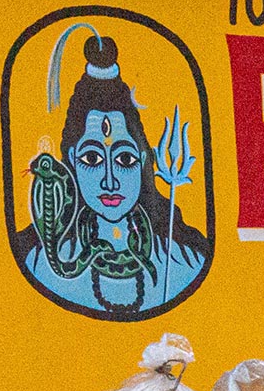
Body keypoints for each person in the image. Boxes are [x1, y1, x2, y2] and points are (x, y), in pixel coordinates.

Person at [14, 27, 208, 317]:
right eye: (91, 158)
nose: (110, 180)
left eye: (125, 159)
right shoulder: (40, 262)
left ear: (144, 160)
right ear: (70, 161)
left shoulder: (183, 261)